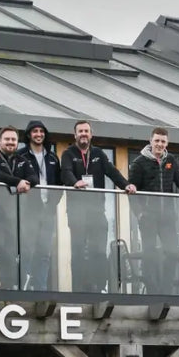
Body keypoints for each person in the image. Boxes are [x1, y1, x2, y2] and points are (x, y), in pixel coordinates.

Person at [60, 120, 135, 293]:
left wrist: (126, 185)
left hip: (97, 211)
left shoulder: (98, 153)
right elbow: (65, 172)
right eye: (80, 131)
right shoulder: (68, 154)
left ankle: (99, 287)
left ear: (91, 134)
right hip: (77, 211)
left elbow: (112, 171)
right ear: (75, 135)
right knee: (78, 251)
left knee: (99, 252)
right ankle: (77, 289)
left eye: (86, 131)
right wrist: (74, 182)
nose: (83, 134)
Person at [129, 127, 179, 295]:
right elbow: (131, 192)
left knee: (172, 253)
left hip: (168, 217)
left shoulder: (170, 160)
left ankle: (166, 290)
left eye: (163, 141)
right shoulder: (139, 163)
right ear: (151, 141)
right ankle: (152, 291)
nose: (159, 144)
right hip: (148, 217)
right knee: (149, 255)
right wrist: (140, 214)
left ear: (167, 143)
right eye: (157, 140)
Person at [0, 126, 40, 289]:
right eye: (7, 139)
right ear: (0, 141)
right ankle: (11, 276)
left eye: (13, 139)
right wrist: (17, 181)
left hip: (13, 216)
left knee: (12, 253)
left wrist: (26, 183)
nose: (10, 142)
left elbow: (34, 177)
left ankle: (6, 288)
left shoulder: (22, 160)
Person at [22, 120, 63, 290]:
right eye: (35, 131)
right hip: (30, 211)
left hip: (48, 211)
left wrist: (53, 203)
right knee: (28, 251)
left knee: (45, 253)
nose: (38, 134)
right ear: (29, 135)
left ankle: (40, 289)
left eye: (41, 131)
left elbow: (60, 184)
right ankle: (23, 286)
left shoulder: (52, 157)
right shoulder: (21, 156)